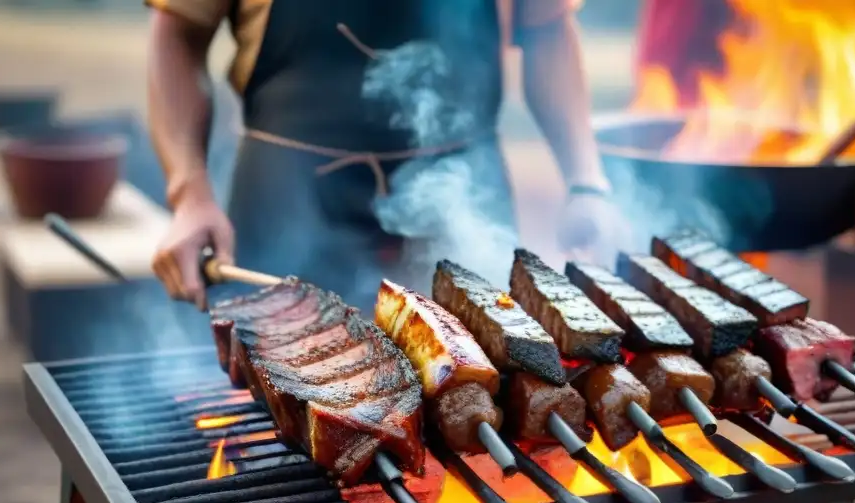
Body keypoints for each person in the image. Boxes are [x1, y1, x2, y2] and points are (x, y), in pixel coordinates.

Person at [146, 0, 625, 311]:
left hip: (464, 206)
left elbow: (548, 30)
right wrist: (189, 193)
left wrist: (587, 182)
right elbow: (177, 32)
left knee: (481, 404)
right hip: (289, 206)